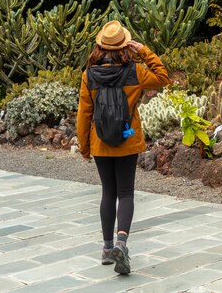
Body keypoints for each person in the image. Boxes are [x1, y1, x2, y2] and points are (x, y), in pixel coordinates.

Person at [76, 20, 170, 275]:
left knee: (108, 192)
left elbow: (84, 114)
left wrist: (85, 146)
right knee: (125, 193)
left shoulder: (89, 75)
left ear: (99, 46)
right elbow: (163, 78)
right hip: (128, 141)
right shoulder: (136, 71)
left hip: (100, 143)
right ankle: (122, 243)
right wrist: (144, 51)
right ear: (124, 44)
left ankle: (107, 249)